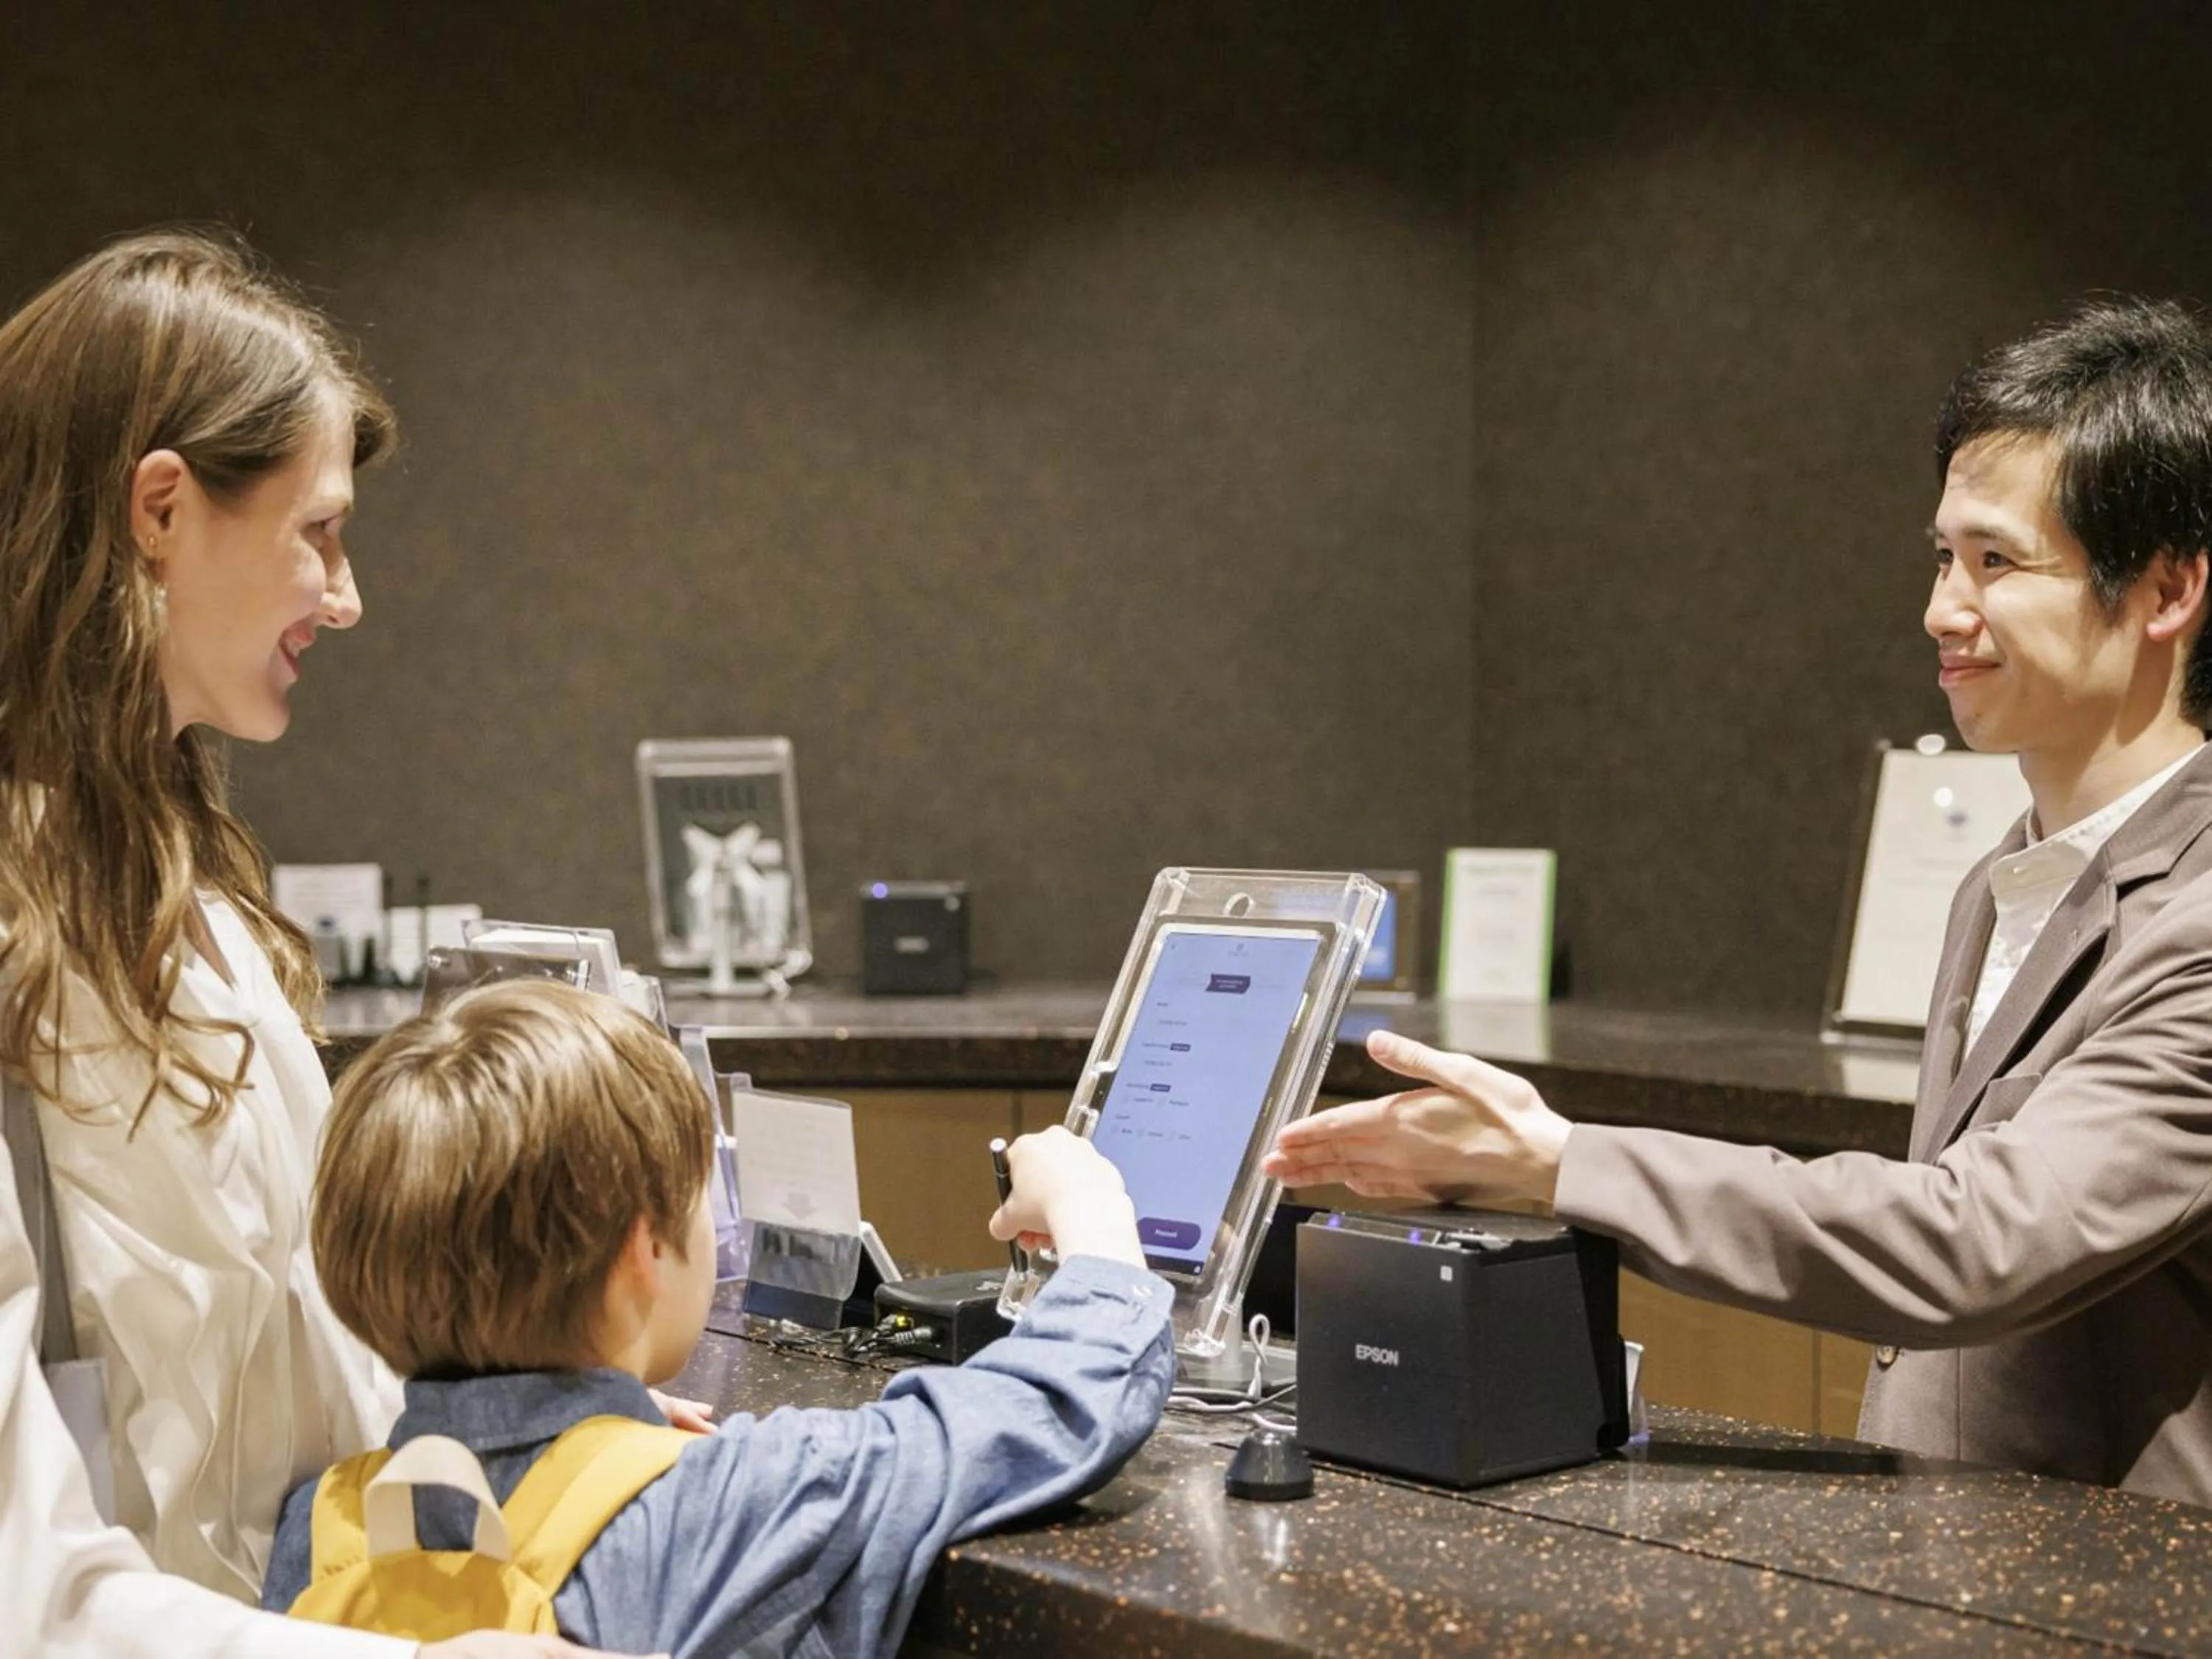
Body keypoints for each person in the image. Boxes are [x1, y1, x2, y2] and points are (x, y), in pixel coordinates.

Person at [1266, 296, 2212, 1506]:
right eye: (1941, 557)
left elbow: (1975, 1240)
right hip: (1961, 1560)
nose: (1941, 610)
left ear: (2169, 589)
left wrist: (1562, 1162)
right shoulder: (2000, 880)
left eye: (1997, 563)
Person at [0, 230, 630, 1656]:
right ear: (162, 507)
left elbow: (323, 1377)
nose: (345, 600)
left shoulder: (199, 909)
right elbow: (23, 1591)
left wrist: (557, 1448)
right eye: (320, 533)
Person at [262, 978, 1175, 1656]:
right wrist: (1094, 1215)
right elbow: (1047, 1411)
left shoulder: (319, 1521)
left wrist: (586, 1430)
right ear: (640, 1254)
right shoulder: (736, 1496)